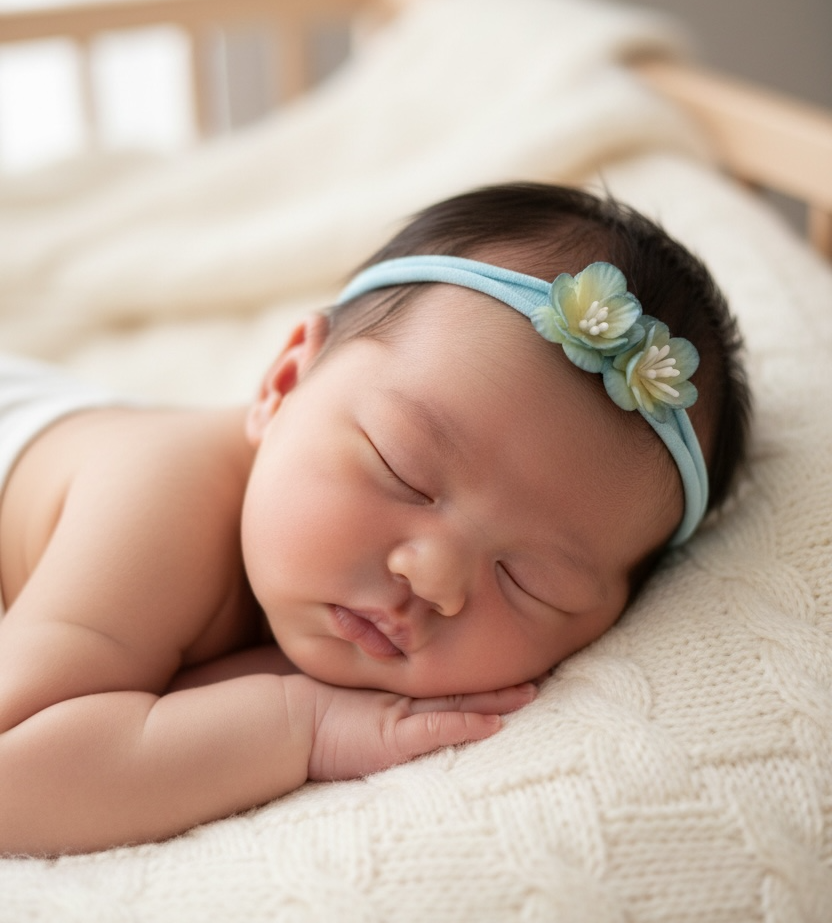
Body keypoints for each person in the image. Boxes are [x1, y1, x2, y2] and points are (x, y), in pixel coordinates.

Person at [0, 183, 750, 856]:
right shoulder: (154, 501)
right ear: (286, 381)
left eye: (529, 582)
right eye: (405, 471)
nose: (435, 579)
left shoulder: (329, 590)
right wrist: (301, 724)